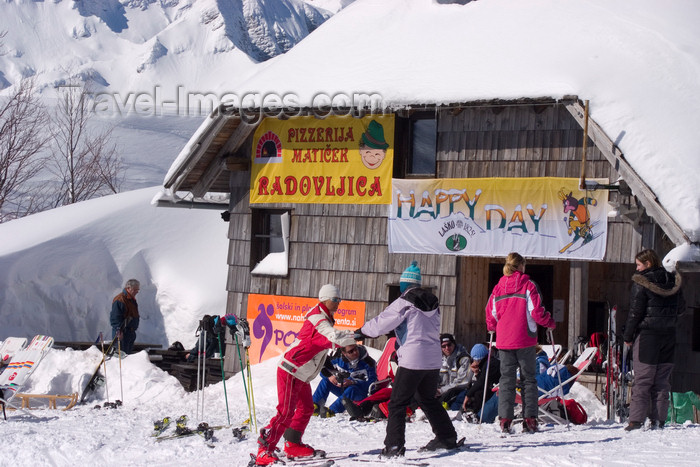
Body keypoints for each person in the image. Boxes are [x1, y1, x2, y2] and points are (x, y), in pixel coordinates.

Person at [354, 261, 459, 458]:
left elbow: (382, 323)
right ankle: (447, 436)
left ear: (404, 285)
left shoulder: (404, 302)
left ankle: (394, 446)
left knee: (397, 403)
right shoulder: (434, 302)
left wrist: (362, 331)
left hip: (413, 358)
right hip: (433, 359)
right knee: (427, 398)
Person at [255, 284, 356, 466]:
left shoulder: (326, 317)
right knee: (285, 412)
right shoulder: (318, 317)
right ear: (325, 299)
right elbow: (331, 335)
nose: (338, 303)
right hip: (290, 369)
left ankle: (292, 443)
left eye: (339, 299)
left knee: (306, 408)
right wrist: (356, 334)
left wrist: (330, 369)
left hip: (301, 373)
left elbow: (320, 347)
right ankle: (264, 450)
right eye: (335, 299)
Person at [485, 252, 555, 433]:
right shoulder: (528, 285)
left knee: (506, 380)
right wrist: (550, 322)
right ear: (521, 266)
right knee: (528, 380)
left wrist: (492, 327)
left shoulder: (497, 288)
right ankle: (530, 419)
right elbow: (537, 312)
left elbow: (490, 313)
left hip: (504, 340)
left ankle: (505, 420)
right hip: (525, 339)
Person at [623, 249, 684, 431]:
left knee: (643, 380)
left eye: (639, 265)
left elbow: (635, 312)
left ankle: (636, 421)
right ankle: (659, 420)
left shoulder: (641, 282)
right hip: (669, 335)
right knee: (662, 381)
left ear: (648, 264)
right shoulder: (673, 281)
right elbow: (681, 308)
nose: (637, 268)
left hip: (648, 336)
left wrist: (628, 336)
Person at [312, 343, 377, 416]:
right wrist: (330, 376)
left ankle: (332, 411)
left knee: (352, 389)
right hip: (346, 390)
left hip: (362, 392)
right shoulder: (339, 360)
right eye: (351, 351)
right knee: (326, 381)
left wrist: (353, 382)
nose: (355, 352)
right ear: (344, 353)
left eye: (356, 349)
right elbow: (323, 369)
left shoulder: (368, 362)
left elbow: (373, 384)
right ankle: (315, 406)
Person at [454, 343, 500, 415]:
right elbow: (483, 380)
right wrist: (476, 373)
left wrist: (468, 395)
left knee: (478, 393)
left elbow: (482, 382)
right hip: (491, 387)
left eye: (476, 360)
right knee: (475, 391)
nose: (475, 362)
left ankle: (476, 413)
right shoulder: (486, 363)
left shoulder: (491, 364)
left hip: (496, 389)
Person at [437, 333, 471, 407]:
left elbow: (463, 382)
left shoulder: (463, 358)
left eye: (449, 345)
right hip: (442, 392)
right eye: (443, 346)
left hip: (457, 391)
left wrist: (442, 390)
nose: (447, 348)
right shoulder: (438, 359)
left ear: (454, 344)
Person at [110, 279, 140, 355]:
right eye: (135, 289)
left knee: (127, 357)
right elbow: (115, 317)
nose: (137, 291)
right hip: (122, 332)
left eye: (138, 289)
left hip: (130, 332)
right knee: (121, 356)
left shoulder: (131, 300)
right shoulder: (120, 299)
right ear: (128, 288)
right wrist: (118, 330)